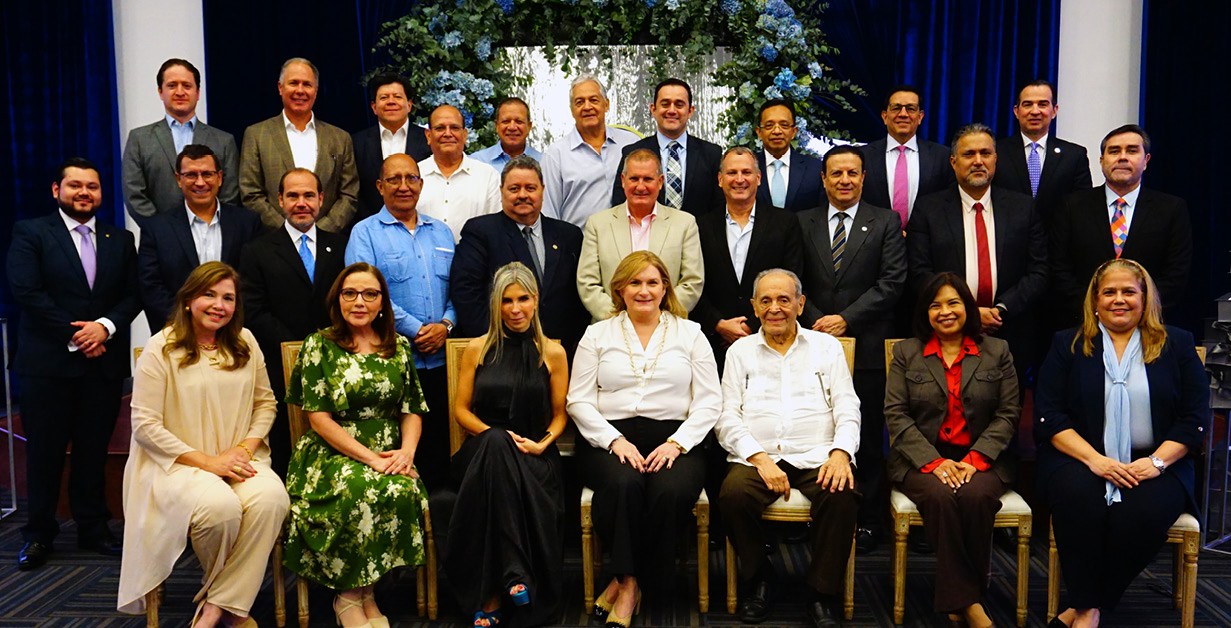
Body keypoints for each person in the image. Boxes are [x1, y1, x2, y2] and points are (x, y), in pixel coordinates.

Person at [1034, 259, 1208, 628]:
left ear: (1145, 299)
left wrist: (1156, 463)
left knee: (1140, 515)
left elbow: (1194, 419)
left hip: (1158, 461)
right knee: (1079, 501)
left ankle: (1084, 606)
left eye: (1129, 292)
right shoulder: (1068, 343)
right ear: (1095, 301)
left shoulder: (1177, 343)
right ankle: (1088, 609)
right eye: (1109, 292)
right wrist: (1095, 460)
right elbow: (1050, 415)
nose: (1119, 299)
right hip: (1080, 458)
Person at [118, 262, 289, 628]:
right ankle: (234, 611)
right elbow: (145, 426)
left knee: (271, 500)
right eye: (209, 295)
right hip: (177, 465)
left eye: (228, 298)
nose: (219, 305)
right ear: (188, 300)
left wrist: (244, 450)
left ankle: (215, 608)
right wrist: (208, 463)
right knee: (220, 509)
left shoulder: (245, 341)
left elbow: (266, 404)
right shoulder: (161, 347)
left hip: (240, 457)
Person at [567, 251, 721, 624]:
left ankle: (626, 581)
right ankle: (630, 583)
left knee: (670, 491)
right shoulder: (597, 334)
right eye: (635, 282)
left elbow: (710, 401)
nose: (644, 291)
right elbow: (578, 400)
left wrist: (677, 443)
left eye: (653, 282)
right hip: (609, 439)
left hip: (675, 439)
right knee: (624, 485)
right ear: (619, 289)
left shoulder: (691, 333)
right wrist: (614, 440)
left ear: (665, 287)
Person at [8, 158, 141, 570]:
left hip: (102, 366)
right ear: (57, 190)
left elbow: (134, 294)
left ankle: (93, 528)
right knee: (44, 453)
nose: (84, 193)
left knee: (92, 451)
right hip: (47, 366)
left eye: (92, 187)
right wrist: (79, 336)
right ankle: (39, 533)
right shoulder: (31, 232)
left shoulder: (120, 239)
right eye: (75, 185)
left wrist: (105, 327)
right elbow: (27, 292)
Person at [283, 262, 429, 628]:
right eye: (350, 293)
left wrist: (407, 453)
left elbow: (412, 409)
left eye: (369, 294)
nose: (359, 302)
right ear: (338, 300)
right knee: (360, 487)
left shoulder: (399, 347)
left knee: (400, 488)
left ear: (382, 303)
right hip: (331, 452)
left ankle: (366, 594)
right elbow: (319, 419)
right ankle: (348, 597)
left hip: (390, 451)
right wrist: (372, 461)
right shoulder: (319, 345)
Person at [715, 268, 861, 628]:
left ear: (800, 303)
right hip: (758, 457)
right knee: (733, 495)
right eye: (765, 300)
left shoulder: (826, 347)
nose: (775, 308)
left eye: (784, 299)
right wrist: (760, 459)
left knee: (842, 495)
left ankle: (821, 592)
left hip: (818, 454)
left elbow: (847, 406)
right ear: (754, 306)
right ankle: (760, 579)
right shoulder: (739, 352)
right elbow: (726, 415)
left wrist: (841, 453)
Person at [884, 272, 1019, 628]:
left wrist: (975, 459)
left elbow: (1008, 413)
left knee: (976, 497)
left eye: (953, 303)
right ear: (925, 312)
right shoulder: (906, 352)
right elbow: (896, 415)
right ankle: (970, 603)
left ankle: (958, 599)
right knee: (940, 497)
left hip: (983, 458)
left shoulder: (997, 351)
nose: (945, 311)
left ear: (968, 307)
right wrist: (934, 461)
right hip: (920, 458)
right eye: (935, 305)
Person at [446, 262, 570, 628]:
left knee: (501, 467)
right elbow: (461, 410)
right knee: (497, 445)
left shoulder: (553, 352)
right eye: (506, 301)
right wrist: (493, 436)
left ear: (536, 300)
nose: (515, 309)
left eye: (523, 299)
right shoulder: (477, 348)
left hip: (533, 453)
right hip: (481, 451)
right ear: (495, 304)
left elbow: (560, 416)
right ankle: (515, 574)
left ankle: (492, 596)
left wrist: (542, 444)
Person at [798, 144, 907, 553]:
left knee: (867, 436)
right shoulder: (802, 221)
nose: (844, 180)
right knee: (815, 430)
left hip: (869, 348)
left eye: (852, 173)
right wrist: (819, 320)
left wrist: (845, 319)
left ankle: (869, 520)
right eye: (836, 173)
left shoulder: (886, 221)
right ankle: (815, 515)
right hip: (811, 342)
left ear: (863, 177)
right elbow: (793, 279)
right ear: (823, 178)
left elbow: (892, 282)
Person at [347, 153, 456, 488]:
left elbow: (460, 289)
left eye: (411, 178)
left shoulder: (442, 233)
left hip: (443, 363)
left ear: (421, 184)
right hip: (391, 361)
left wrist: (446, 325)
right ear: (380, 187)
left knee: (442, 455)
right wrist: (418, 330)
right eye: (394, 179)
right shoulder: (364, 234)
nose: (404, 186)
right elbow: (364, 293)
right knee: (399, 460)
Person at [907, 123, 1047, 383]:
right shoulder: (929, 209)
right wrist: (967, 311)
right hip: (946, 331)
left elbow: (1038, 271)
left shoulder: (1022, 207)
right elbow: (919, 272)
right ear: (953, 162)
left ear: (995, 159)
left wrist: (1001, 309)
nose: (978, 161)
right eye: (969, 154)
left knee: (1007, 408)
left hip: (1008, 330)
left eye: (985, 153)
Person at [239, 167, 348, 476]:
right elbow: (254, 311)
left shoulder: (341, 246)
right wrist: (295, 349)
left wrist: (327, 344)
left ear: (321, 199)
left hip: (335, 360)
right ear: (280, 200)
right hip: (280, 364)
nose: (301, 203)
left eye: (309, 195)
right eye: (293, 196)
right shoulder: (257, 251)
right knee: (287, 442)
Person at [1049, 124, 1192, 325]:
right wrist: (1095, 308)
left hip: (1149, 325)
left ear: (1146, 161)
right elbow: (1059, 268)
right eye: (1114, 151)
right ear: (1101, 161)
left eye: (1132, 151)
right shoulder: (1072, 206)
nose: (1122, 157)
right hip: (1083, 324)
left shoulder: (1171, 209)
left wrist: (1138, 309)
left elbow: (1176, 273)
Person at [450, 155, 588, 349]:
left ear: (542, 190)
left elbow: (579, 295)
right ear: (501, 191)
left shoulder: (569, 235)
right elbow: (466, 294)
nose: (523, 195)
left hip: (561, 350)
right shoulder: (480, 232)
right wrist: (496, 342)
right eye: (514, 189)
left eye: (530, 188)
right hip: (501, 350)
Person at [693, 146, 804, 370]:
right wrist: (718, 324)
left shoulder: (785, 223)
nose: (739, 179)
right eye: (732, 173)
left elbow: (793, 278)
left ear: (759, 178)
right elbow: (693, 281)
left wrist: (751, 326)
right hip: (712, 344)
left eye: (746, 172)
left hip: (769, 338)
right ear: (720, 179)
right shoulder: (701, 225)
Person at [138, 144, 263, 331]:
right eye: (191, 175)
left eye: (207, 174)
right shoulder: (156, 228)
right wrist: (187, 322)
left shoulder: (248, 223)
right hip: (178, 332)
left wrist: (229, 319)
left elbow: (254, 282)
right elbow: (151, 286)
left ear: (219, 178)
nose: (200, 182)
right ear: (178, 179)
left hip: (235, 331)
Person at [577, 149, 704, 320]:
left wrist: (657, 319)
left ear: (660, 182)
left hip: (667, 327)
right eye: (634, 179)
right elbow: (587, 283)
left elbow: (692, 282)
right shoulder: (598, 224)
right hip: (610, 326)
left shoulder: (685, 224)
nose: (640, 186)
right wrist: (619, 320)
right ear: (623, 181)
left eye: (648, 179)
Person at [240, 57, 359, 232]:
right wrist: (287, 232)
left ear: (316, 91)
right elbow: (250, 193)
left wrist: (320, 232)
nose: (300, 90)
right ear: (280, 88)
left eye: (307, 84)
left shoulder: (340, 138)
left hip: (328, 240)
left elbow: (349, 195)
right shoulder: (257, 135)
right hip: (274, 240)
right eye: (293, 83)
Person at [122, 58, 240, 224]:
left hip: (212, 233)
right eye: (172, 85)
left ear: (197, 93)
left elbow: (230, 196)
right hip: (159, 236)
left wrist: (207, 227)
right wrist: (162, 231)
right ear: (160, 92)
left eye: (186, 85)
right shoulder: (139, 139)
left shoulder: (224, 141)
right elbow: (134, 195)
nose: (179, 92)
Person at [610, 78, 723, 216]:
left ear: (690, 111)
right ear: (653, 109)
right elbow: (620, 203)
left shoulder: (711, 154)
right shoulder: (633, 152)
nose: (672, 110)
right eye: (665, 104)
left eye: (679, 105)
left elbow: (719, 206)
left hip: (698, 230)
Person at [541, 75, 639, 227]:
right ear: (572, 110)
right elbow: (548, 213)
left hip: (630, 239)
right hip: (580, 241)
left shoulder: (631, 143)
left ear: (606, 104)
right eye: (579, 102)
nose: (587, 107)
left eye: (593, 100)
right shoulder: (556, 155)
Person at [993, 80, 1092, 224]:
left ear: (1054, 111)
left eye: (1042, 104)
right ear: (1016, 111)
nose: (1035, 111)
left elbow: (1082, 206)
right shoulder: (997, 152)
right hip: (1008, 235)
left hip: (1058, 236)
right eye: (1028, 104)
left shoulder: (1074, 156)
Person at [859, 85, 954, 228]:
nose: (903, 114)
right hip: (874, 238)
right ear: (884, 116)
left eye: (910, 108)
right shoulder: (862, 157)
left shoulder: (943, 157)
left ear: (920, 117)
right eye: (896, 108)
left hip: (927, 239)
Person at [352, 73, 432, 224]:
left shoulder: (428, 141)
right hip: (370, 227)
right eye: (384, 98)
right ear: (374, 107)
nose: (391, 102)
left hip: (421, 225)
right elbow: (354, 191)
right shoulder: (356, 143)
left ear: (409, 105)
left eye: (397, 97)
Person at [416, 105, 501, 242]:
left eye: (454, 128)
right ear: (428, 135)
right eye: (440, 128)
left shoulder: (487, 176)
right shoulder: (414, 175)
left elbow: (496, 228)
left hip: (475, 255)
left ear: (465, 135)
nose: (447, 134)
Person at [754, 99, 825, 213]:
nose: (777, 131)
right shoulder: (746, 168)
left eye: (784, 125)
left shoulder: (815, 168)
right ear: (759, 132)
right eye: (769, 125)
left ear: (794, 132)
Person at [470, 97, 543, 170]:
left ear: (529, 126)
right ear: (497, 126)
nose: (512, 127)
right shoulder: (477, 161)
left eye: (519, 122)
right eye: (506, 121)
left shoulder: (544, 163)